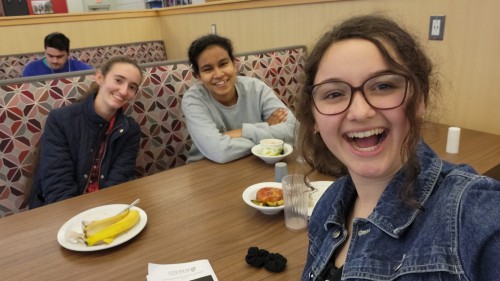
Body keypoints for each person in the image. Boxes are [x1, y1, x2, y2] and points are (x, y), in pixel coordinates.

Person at [297, 15, 500, 281]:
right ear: (314, 119)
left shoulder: (471, 214)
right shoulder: (329, 205)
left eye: (383, 86)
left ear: (419, 101)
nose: (360, 112)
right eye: (334, 93)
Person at [29, 56, 143, 208]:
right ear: (100, 78)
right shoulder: (60, 120)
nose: (123, 91)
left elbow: (119, 182)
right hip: (62, 211)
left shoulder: (130, 130)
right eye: (118, 80)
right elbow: (58, 187)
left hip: (107, 209)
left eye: (132, 87)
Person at [181, 34, 297, 163]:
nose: (219, 74)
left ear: (234, 64)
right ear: (198, 76)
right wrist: (266, 130)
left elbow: (295, 131)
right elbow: (219, 152)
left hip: (251, 164)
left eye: (223, 64)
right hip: (205, 169)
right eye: (208, 69)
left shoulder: (256, 88)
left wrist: (242, 132)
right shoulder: (193, 100)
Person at [22, 32, 92, 77]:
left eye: (59, 56)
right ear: (45, 52)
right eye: (50, 56)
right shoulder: (32, 69)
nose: (54, 61)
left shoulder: (78, 67)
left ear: (68, 54)